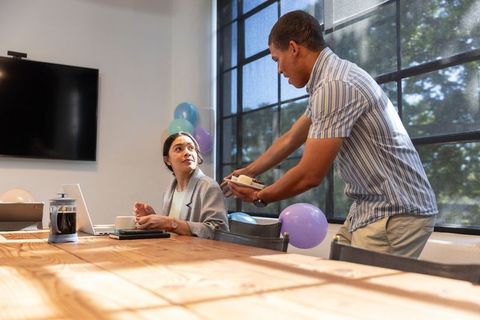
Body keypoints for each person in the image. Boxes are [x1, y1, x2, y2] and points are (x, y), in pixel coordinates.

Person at [224, 10, 438, 258]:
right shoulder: (328, 81)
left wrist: (260, 196)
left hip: (396, 209)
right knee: (337, 280)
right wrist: (248, 172)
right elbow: (293, 137)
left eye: (276, 60)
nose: (279, 71)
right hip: (371, 208)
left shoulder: (335, 85)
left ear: (293, 48)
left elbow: (310, 175)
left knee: (358, 294)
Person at [134, 131, 228, 239]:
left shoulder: (209, 187)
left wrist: (169, 223)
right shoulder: (169, 190)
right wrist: (153, 219)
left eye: (191, 148)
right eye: (179, 149)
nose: (187, 152)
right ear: (167, 160)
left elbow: (219, 232)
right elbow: (172, 233)